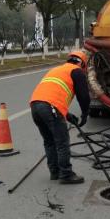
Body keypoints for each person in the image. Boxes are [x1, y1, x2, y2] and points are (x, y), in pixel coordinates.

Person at [29, 50, 91, 184]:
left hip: (35, 106)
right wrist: (85, 114)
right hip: (50, 107)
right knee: (62, 142)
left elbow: (52, 95)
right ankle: (66, 174)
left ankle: (55, 172)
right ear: (83, 64)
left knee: (49, 141)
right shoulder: (77, 71)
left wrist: (68, 115)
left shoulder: (57, 69)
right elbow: (84, 96)